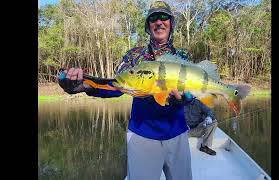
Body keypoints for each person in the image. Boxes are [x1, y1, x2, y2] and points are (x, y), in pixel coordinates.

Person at [58, 1, 193, 180]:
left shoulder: (183, 57)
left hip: (178, 133)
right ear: (148, 25)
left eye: (164, 17)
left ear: (171, 23)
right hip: (142, 135)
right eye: (153, 18)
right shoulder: (133, 56)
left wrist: (187, 98)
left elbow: (194, 91)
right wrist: (85, 85)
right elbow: (117, 85)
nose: (159, 22)